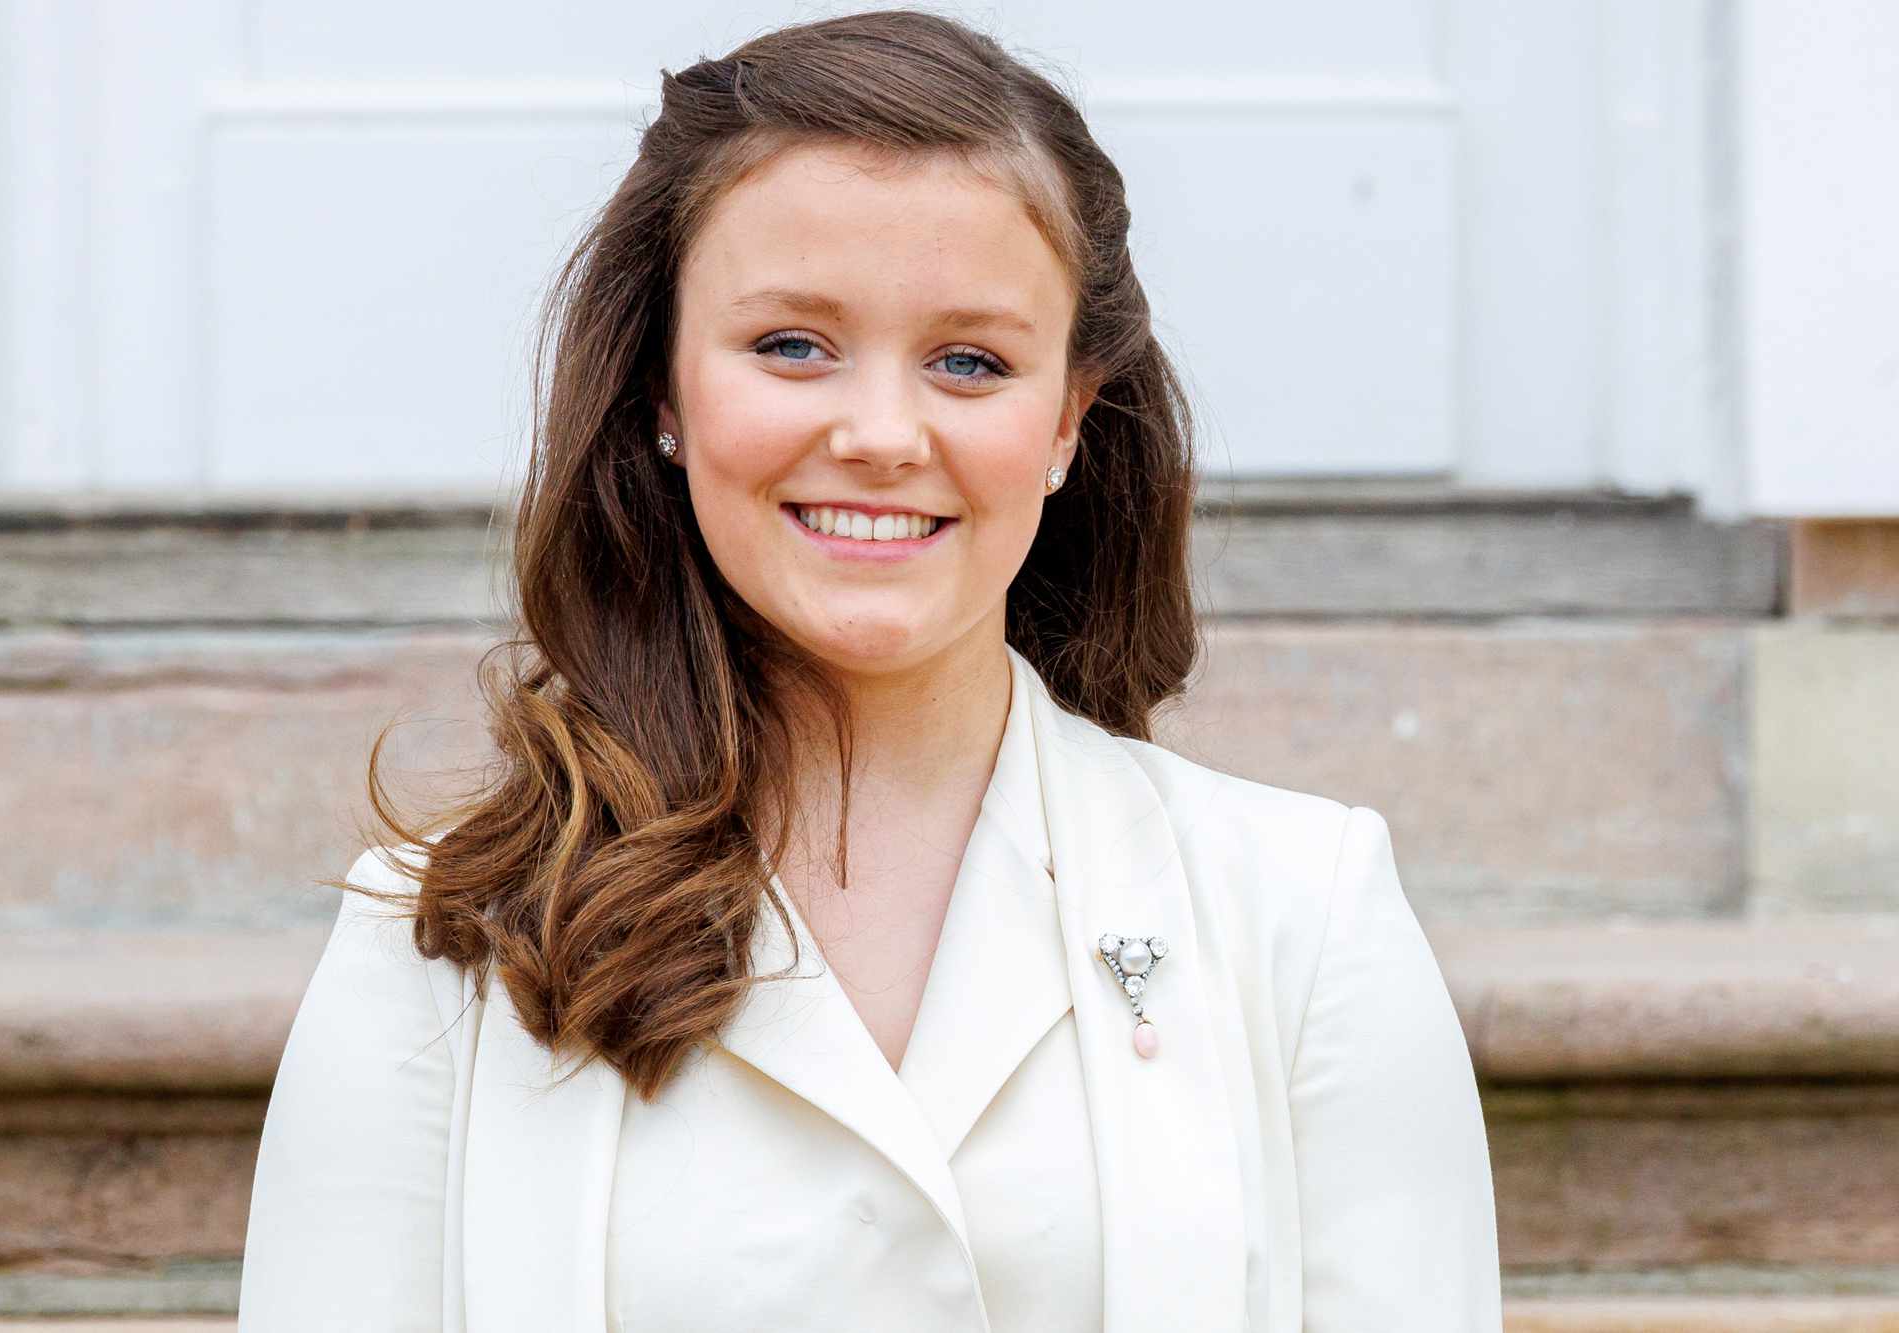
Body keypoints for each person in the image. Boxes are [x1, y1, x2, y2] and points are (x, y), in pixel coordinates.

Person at [236, 9, 1500, 1330]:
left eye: (971, 360)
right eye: (793, 344)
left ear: (1070, 415)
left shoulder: (1303, 919)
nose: (883, 434)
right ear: (661, 388)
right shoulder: (439, 943)